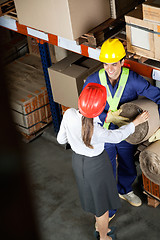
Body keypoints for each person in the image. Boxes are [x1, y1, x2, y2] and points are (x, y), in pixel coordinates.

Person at [57, 83, 149, 240]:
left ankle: (101, 227)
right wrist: (135, 122)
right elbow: (118, 136)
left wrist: (76, 140)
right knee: (102, 207)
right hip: (97, 166)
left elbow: (61, 140)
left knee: (94, 199)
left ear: (80, 100)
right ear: (100, 109)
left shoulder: (69, 114)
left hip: (78, 162)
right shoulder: (97, 130)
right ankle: (104, 236)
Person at [83, 38, 160, 220]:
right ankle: (108, 208)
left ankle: (125, 190)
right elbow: (85, 109)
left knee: (127, 163)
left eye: (114, 64)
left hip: (127, 134)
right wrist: (102, 119)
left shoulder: (132, 80)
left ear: (122, 62)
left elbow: (157, 96)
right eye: (106, 64)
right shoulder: (94, 81)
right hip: (105, 134)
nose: (110, 69)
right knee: (107, 170)